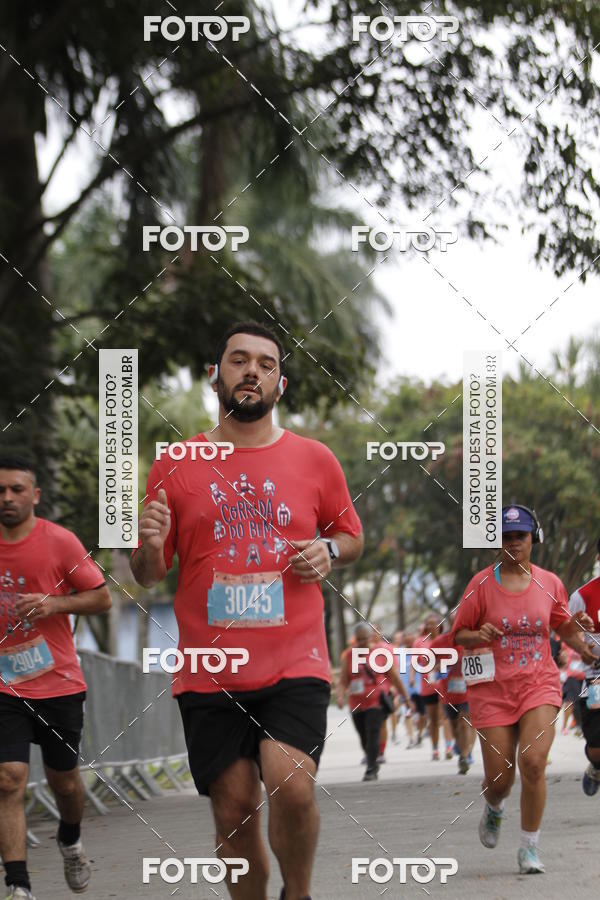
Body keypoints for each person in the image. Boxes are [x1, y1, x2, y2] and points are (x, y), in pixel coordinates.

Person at [131, 321, 364, 900]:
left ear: (280, 384)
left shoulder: (315, 460)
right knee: (233, 808)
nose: (251, 371)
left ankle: (300, 893)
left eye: (265, 363)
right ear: (216, 375)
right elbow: (148, 572)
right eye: (238, 360)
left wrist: (328, 550)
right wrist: (149, 544)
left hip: (296, 659)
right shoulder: (177, 464)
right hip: (209, 670)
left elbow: (351, 536)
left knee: (292, 784)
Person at [451, 505, 596, 874]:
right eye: (506, 536)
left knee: (533, 763)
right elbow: (458, 634)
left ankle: (529, 848)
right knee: (500, 779)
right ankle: (495, 806)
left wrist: (581, 639)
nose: (514, 542)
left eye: (521, 536)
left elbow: (562, 627)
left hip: (539, 684)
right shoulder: (480, 584)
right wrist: (477, 634)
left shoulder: (549, 583)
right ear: (497, 542)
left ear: (534, 539)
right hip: (493, 690)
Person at [0, 456, 111, 899]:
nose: (7, 498)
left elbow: (101, 598)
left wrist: (54, 605)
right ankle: (18, 884)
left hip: (58, 683)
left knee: (64, 781)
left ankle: (69, 838)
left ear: (35, 495)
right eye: (0, 491)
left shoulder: (60, 542)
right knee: (8, 777)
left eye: (16, 490)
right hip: (4, 684)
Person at [337, 623, 409, 780]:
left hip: (376, 701)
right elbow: (343, 680)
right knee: (363, 736)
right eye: (359, 639)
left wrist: (406, 697)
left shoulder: (381, 653)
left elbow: (395, 678)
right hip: (356, 703)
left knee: (373, 732)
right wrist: (340, 696)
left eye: (365, 638)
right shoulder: (350, 655)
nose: (362, 642)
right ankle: (372, 759)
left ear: (371, 638)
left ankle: (370, 768)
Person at [569, 537, 600, 795]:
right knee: (597, 747)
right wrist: (582, 646)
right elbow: (570, 632)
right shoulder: (582, 595)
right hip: (595, 679)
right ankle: (596, 765)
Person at [413, 615, 443, 759]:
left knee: (447, 718)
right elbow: (414, 662)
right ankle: (435, 749)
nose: (431, 626)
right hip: (428, 685)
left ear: (439, 625)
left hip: (445, 685)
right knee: (433, 719)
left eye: (434, 623)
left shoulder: (445, 639)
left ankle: (449, 746)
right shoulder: (420, 642)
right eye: (428, 624)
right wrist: (413, 676)